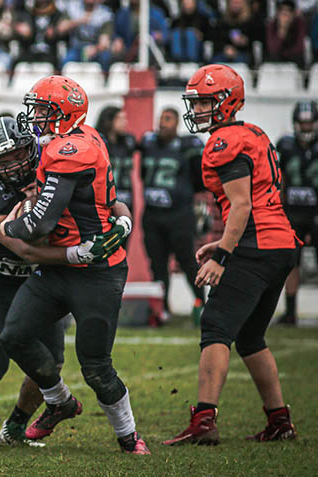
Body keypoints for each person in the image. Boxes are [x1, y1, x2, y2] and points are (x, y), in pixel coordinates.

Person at [0, 116, 131, 443]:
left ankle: (16, 425)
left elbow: (111, 204)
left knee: (51, 360)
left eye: (17, 155)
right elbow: (25, 248)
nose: (13, 165)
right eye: (3, 160)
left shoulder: (56, 164)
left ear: (30, 148)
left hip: (35, 278)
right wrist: (77, 254)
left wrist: (122, 225)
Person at [0, 75, 149, 455]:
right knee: (14, 335)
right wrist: (124, 218)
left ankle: (129, 437)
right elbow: (109, 202)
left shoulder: (70, 150)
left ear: (65, 114)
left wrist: (10, 225)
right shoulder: (86, 137)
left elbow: (39, 226)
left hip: (96, 271)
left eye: (44, 110)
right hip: (61, 267)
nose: (36, 117)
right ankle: (59, 400)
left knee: (96, 366)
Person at [163, 64, 300, 447]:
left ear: (226, 102)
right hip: (279, 244)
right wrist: (225, 242)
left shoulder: (224, 142)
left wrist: (222, 254)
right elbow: (260, 196)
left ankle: (204, 418)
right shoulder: (253, 133)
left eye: (205, 102)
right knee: (251, 336)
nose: (198, 110)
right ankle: (279, 420)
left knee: (216, 326)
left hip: (257, 245)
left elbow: (241, 206)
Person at [140, 107, 206, 324]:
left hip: (179, 215)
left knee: (187, 261)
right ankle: (163, 309)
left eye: (167, 119)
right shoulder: (149, 143)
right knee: (157, 264)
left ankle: (200, 305)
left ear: (177, 123)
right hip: (152, 215)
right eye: (161, 119)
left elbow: (200, 179)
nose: (162, 123)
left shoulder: (187, 146)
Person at [276, 100, 318, 326]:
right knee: (291, 263)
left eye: (310, 123)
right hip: (292, 213)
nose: (306, 128)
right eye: (302, 123)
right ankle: (290, 311)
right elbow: (279, 178)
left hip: (316, 213)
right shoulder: (286, 145)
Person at [95, 106, 136, 209]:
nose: (125, 122)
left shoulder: (128, 142)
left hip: (126, 199)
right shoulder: (97, 142)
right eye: (120, 119)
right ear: (109, 121)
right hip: (104, 201)